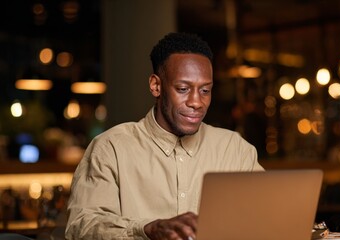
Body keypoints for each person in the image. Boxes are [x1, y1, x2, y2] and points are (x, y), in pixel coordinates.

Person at [65, 32, 264, 240]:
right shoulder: (110, 148)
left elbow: (267, 216)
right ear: (156, 86)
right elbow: (82, 228)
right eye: (183, 89)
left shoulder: (235, 149)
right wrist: (147, 229)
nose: (196, 102)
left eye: (205, 90)